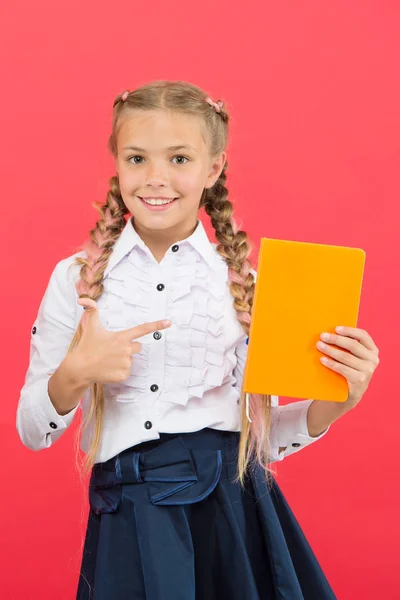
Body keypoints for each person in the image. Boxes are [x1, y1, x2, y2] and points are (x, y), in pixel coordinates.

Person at [16, 80, 380, 600]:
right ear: (116, 162)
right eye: (137, 157)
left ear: (213, 169)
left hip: (233, 518)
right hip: (133, 511)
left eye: (180, 158)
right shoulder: (74, 279)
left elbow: (263, 441)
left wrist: (335, 403)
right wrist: (73, 376)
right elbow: (33, 429)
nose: (156, 178)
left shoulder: (248, 286)